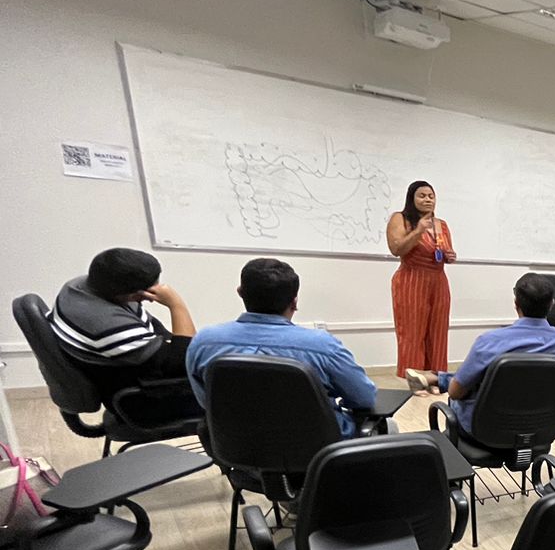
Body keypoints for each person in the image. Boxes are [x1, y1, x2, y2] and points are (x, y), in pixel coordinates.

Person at [187, 258, 377, 438]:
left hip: (237, 447)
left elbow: (207, 402)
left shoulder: (203, 342)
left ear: (240, 292)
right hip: (317, 449)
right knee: (387, 427)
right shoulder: (323, 346)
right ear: (294, 302)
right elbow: (365, 398)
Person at [400, 273, 555, 435]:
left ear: (516, 304)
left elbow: (455, 392)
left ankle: (436, 378)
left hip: (485, 429)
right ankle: (436, 378)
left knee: (475, 382)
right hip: (542, 428)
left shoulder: (490, 342)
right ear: (552, 304)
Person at [49, 247, 202, 423]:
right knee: (232, 392)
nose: (153, 297)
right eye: (147, 293)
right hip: (140, 400)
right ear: (130, 294)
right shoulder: (106, 324)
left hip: (126, 378)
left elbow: (152, 325)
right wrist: (176, 305)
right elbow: (183, 362)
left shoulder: (82, 287)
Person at [385, 181, 455, 379]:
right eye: (422, 195)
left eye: (431, 196)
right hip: (412, 279)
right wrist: (418, 231)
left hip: (438, 280)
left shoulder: (442, 224)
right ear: (412, 198)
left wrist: (450, 255)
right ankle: (415, 379)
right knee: (412, 332)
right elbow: (396, 249)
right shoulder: (401, 219)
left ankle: (436, 378)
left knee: (438, 333)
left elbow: (442, 251)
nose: (427, 199)